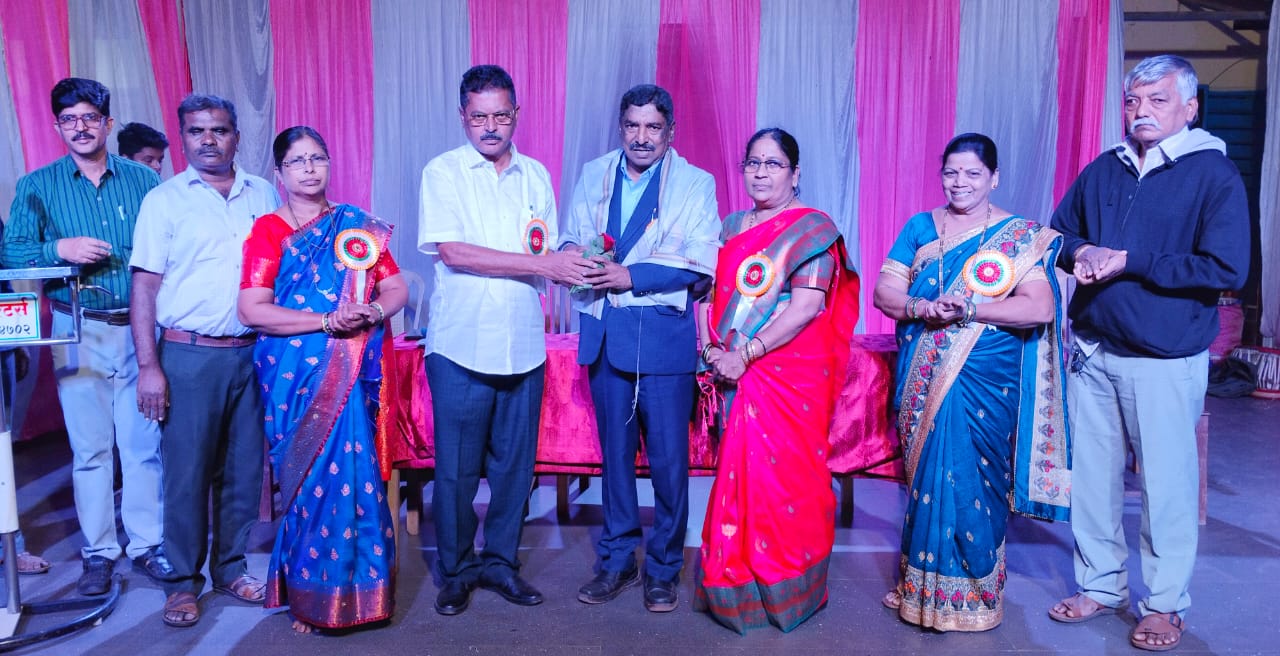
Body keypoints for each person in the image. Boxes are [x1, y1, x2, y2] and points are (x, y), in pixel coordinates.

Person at [1047, 55, 1250, 652]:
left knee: (1165, 489)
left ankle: (1163, 604)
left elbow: (1225, 267)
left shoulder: (1214, 173)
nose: (1141, 111)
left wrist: (1131, 261)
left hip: (1163, 359)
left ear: (1190, 108)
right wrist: (1081, 253)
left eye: (1158, 100)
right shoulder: (1105, 168)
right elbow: (1058, 233)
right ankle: (1101, 585)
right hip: (1093, 351)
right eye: (1133, 100)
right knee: (1092, 483)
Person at [872, 133, 1070, 632]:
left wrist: (971, 309)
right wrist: (922, 307)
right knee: (927, 478)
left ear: (994, 178)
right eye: (951, 172)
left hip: (987, 382)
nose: (960, 182)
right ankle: (920, 586)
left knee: (975, 479)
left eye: (973, 173)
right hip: (923, 373)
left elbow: (1040, 307)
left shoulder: (1017, 235)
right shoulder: (920, 227)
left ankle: (976, 593)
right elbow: (884, 291)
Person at [418, 64, 595, 616]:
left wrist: (576, 259)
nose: (490, 127)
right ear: (462, 117)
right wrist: (544, 264)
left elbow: (547, 252)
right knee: (456, 471)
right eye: (479, 117)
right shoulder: (443, 172)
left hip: (523, 344)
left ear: (516, 114)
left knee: (515, 469)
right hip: (461, 346)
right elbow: (454, 252)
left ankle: (500, 563)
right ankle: (456, 571)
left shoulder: (536, 175)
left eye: (500, 116)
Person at [1, 77, 171, 597]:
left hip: (142, 327)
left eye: (90, 118)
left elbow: (170, 242)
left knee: (142, 446)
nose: (80, 128)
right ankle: (99, 552)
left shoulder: (144, 181)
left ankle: (147, 545)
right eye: (69, 120)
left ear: (107, 124)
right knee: (91, 449)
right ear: (57, 126)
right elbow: (12, 253)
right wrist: (60, 249)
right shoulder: (38, 184)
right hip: (77, 327)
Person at [239, 126, 407, 633]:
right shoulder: (269, 230)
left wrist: (373, 311)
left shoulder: (354, 226)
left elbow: (395, 287)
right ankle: (312, 598)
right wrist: (326, 321)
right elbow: (251, 309)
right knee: (311, 481)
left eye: (317, 158)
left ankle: (363, 594)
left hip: (352, 369)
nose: (309, 169)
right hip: (295, 376)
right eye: (297, 161)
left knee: (355, 477)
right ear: (279, 173)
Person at [560, 83, 720, 613]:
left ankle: (664, 568)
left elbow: (700, 261)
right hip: (606, 333)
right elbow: (569, 237)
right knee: (615, 461)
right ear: (621, 127)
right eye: (632, 125)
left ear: (670, 132)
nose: (642, 137)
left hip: (663, 338)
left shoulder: (695, 183)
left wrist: (628, 275)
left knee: (670, 465)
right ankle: (616, 560)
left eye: (653, 127)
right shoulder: (594, 173)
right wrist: (574, 255)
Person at [695, 128, 858, 633]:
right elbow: (709, 295)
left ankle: (787, 586)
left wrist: (746, 354)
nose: (761, 173)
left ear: (795, 172)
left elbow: (807, 306)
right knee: (740, 474)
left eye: (773, 164)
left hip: (787, 375)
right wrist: (711, 349)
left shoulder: (812, 229)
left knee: (786, 478)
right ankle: (737, 583)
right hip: (733, 368)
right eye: (753, 163)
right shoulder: (730, 227)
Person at [130, 94, 279, 627]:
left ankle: (231, 569)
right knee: (187, 474)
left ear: (237, 135)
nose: (209, 140)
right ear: (183, 138)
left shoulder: (262, 193)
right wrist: (149, 366)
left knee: (244, 471)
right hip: (189, 355)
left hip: (252, 353)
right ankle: (181, 583)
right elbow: (144, 288)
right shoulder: (164, 201)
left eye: (219, 130)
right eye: (197, 131)